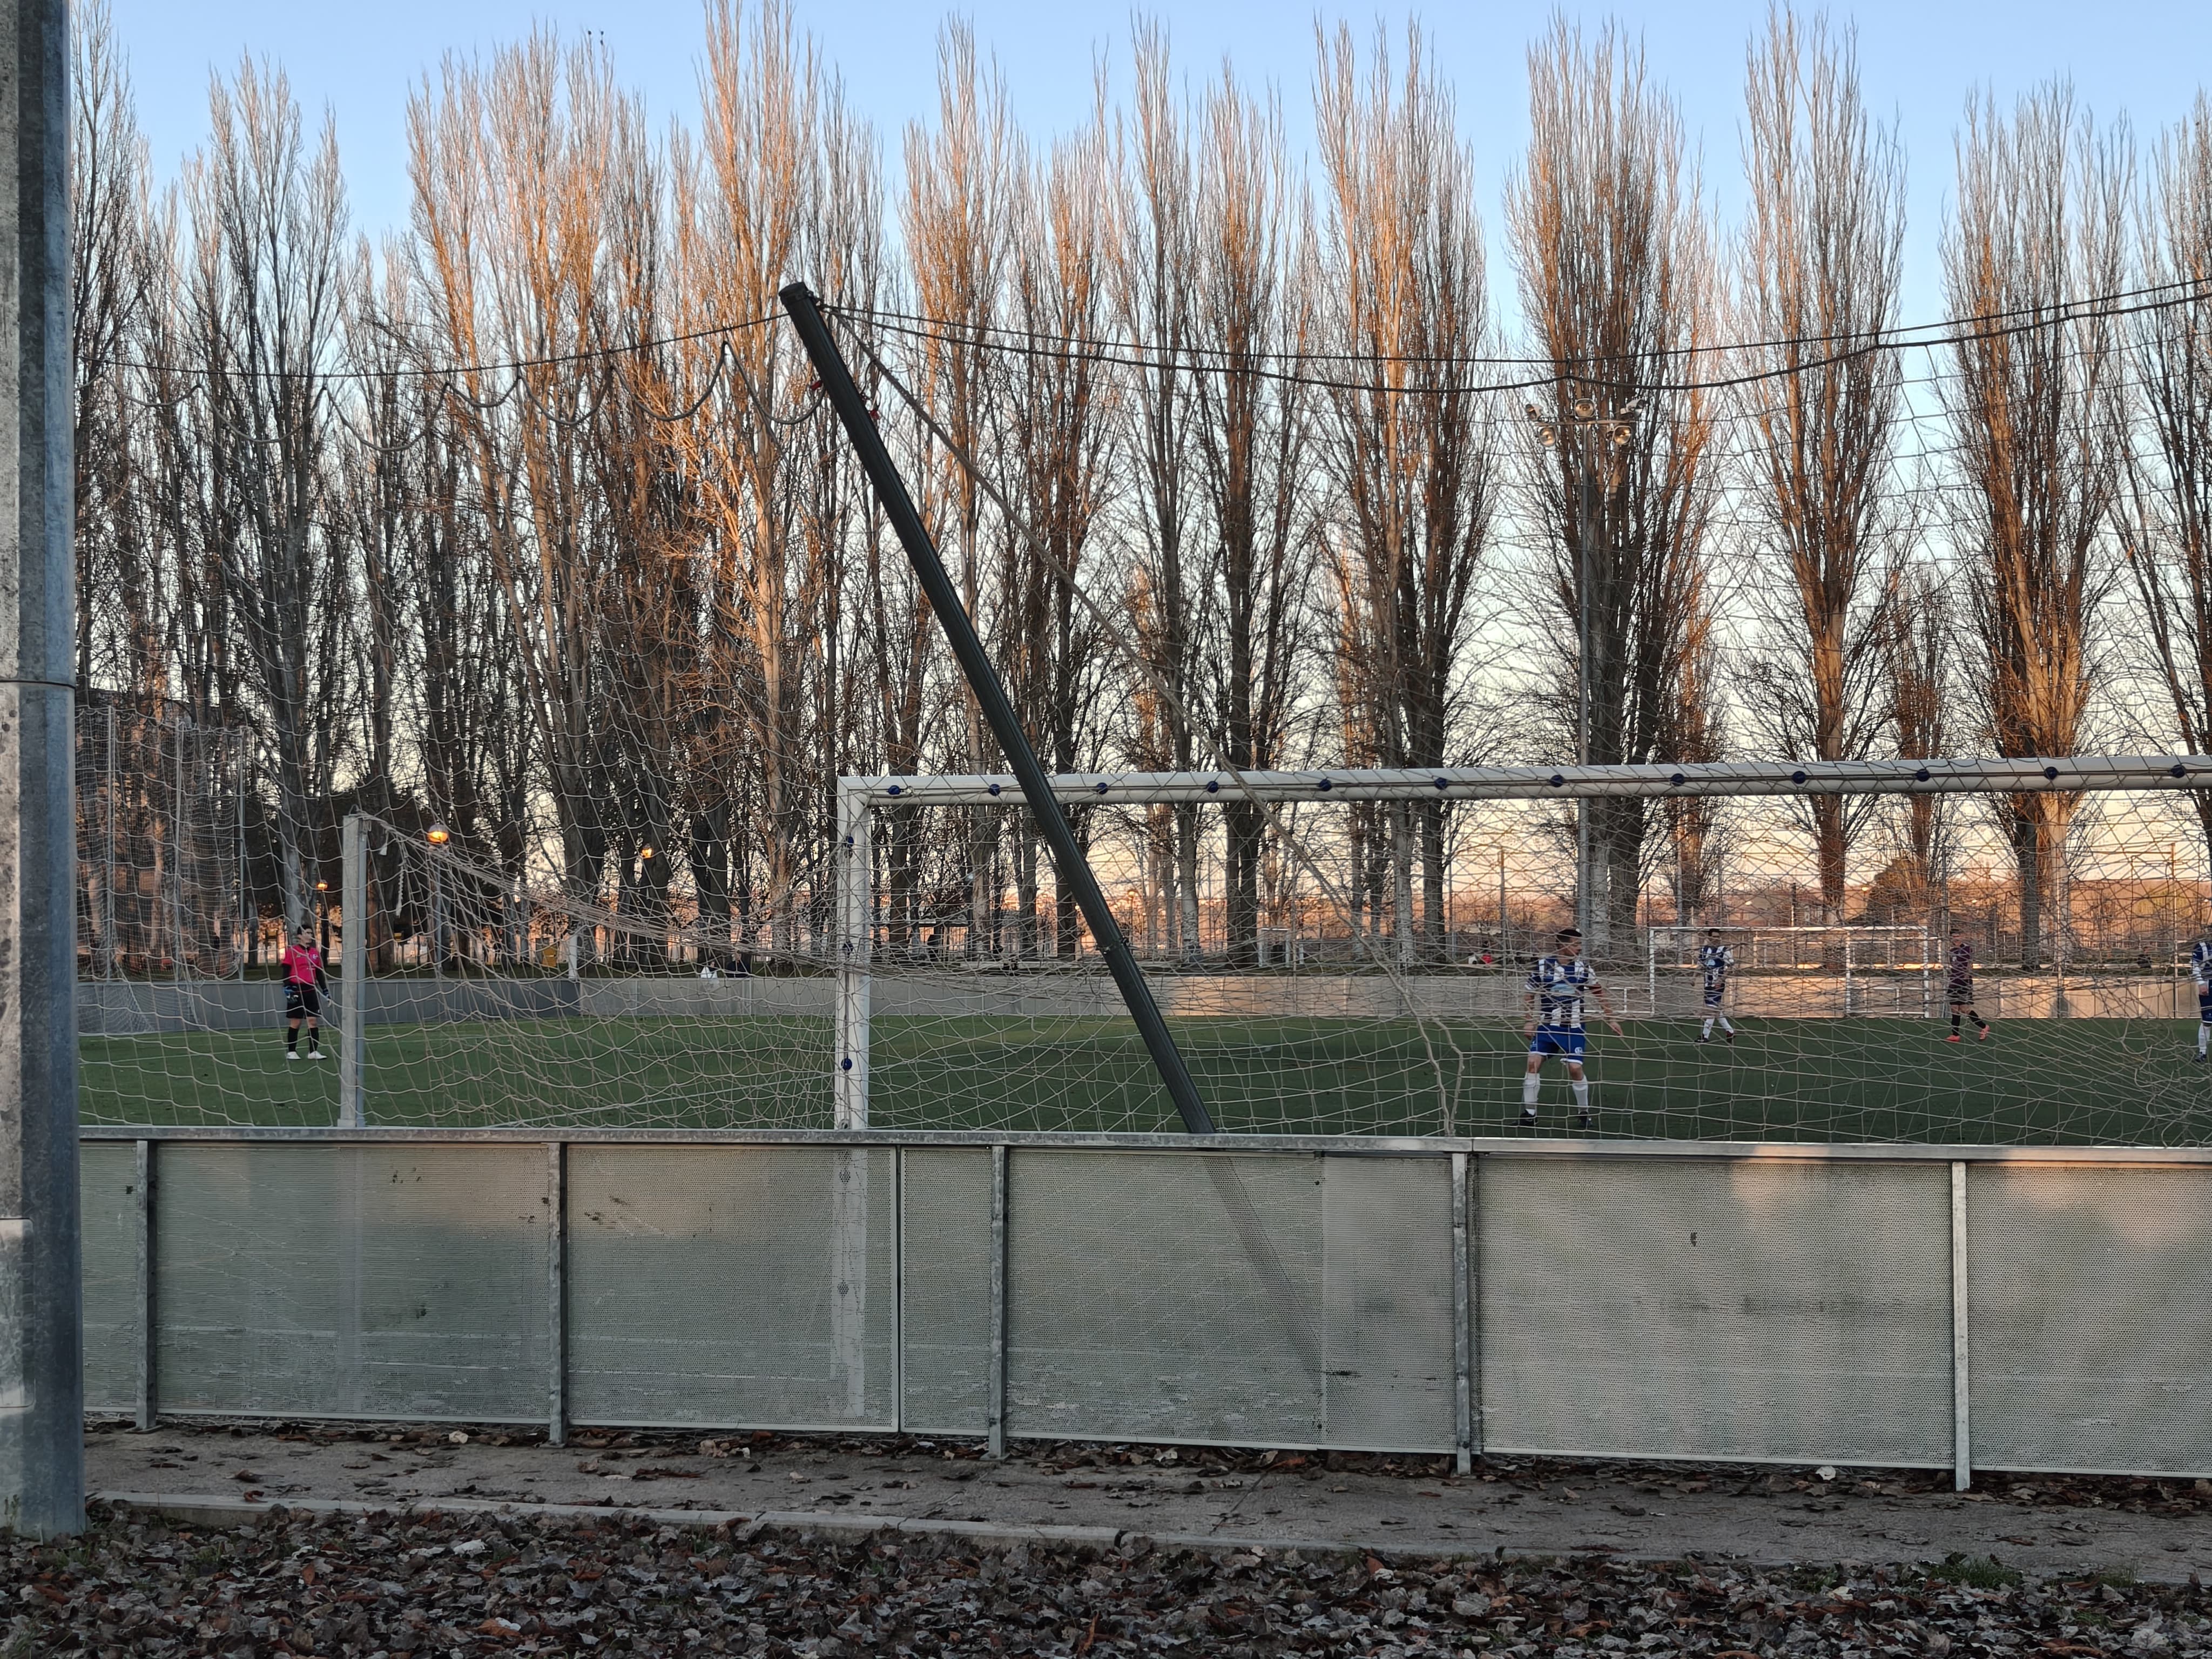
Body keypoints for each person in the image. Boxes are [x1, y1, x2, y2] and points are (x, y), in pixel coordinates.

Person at [1521, 927, 1622, 1131]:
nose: (1579, 948)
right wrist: (1529, 1020)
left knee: (1575, 1069)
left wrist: (1611, 1019)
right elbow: (1529, 995)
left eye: (1579, 945)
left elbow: (1599, 993)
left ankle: (1584, 1114)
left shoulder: (1583, 968)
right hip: (1548, 1027)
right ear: (1562, 945)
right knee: (1533, 1063)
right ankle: (1529, 1115)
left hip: (1573, 1028)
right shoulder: (1543, 966)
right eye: (1575, 944)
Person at [281, 922, 326, 1060]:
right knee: (296, 1022)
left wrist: (325, 990)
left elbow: (319, 973)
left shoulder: (315, 953)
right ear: (300, 936)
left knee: (313, 1021)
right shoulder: (292, 951)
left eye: (311, 933)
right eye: (307, 933)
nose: (310, 936)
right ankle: (292, 1052)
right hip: (296, 989)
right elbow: (286, 970)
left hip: (311, 990)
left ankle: (313, 1052)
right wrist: (287, 987)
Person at [1946, 926, 1990, 1042]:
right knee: (1954, 1008)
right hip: (1954, 982)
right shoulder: (1951, 951)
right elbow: (1953, 966)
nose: (1956, 939)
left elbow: (1970, 965)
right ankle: (1955, 1035)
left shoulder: (1967, 949)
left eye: (1958, 937)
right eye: (1954, 937)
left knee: (1965, 1009)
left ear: (1963, 937)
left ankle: (1984, 1027)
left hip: (1964, 982)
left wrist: (1967, 977)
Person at [1696, 927, 1736, 1044]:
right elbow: (1700, 965)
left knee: (1711, 1009)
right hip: (1707, 983)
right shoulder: (1704, 950)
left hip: (1718, 985)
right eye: (1713, 937)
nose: (1716, 939)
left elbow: (1731, 967)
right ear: (1709, 938)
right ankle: (1730, 1031)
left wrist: (1722, 979)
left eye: (1718, 937)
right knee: (1715, 1010)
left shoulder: (1724, 950)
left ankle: (1705, 1036)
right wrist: (1693, 977)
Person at [2191, 933, 2212, 1063]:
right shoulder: (2202, 947)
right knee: (2207, 1022)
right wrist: (2201, 983)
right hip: (2209, 985)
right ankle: (2203, 1053)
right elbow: (2195, 966)